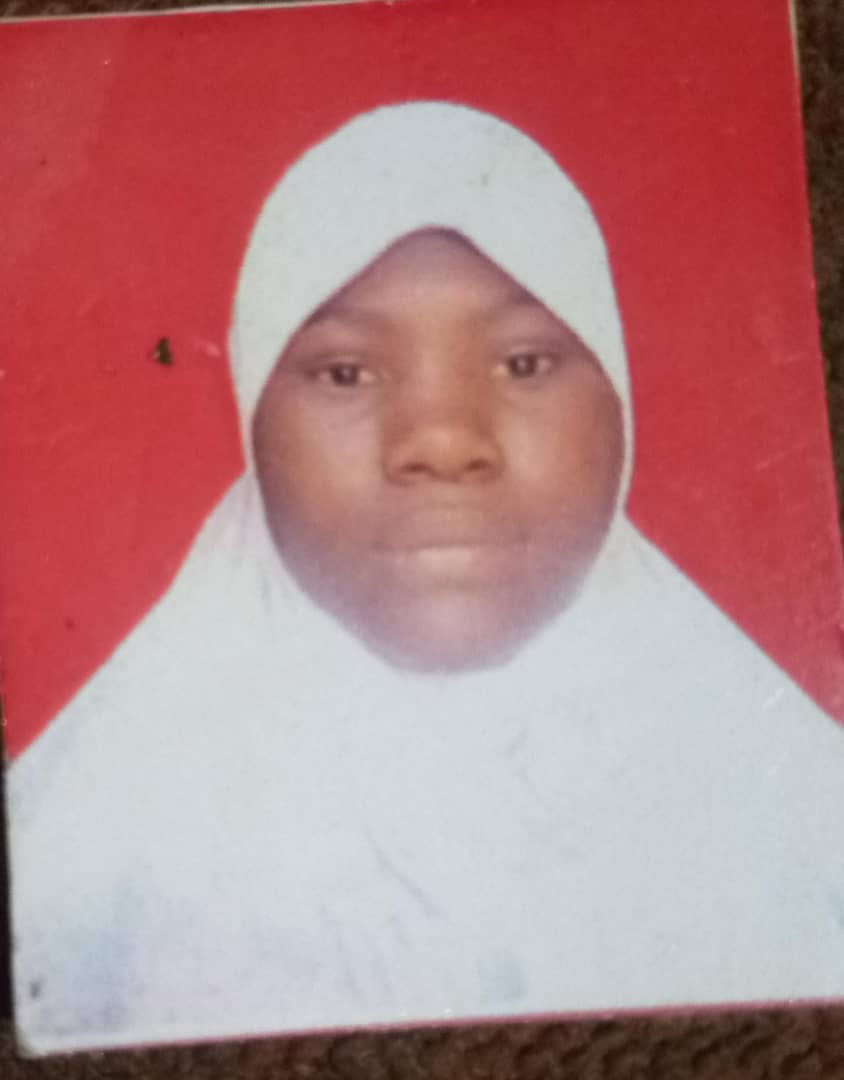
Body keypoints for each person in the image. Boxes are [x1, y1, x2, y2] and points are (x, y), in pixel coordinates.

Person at [8, 102, 844, 1056]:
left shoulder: (795, 828)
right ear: (249, 412)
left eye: (523, 363)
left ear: (620, 396)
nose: (442, 442)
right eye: (346, 374)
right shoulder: (90, 861)